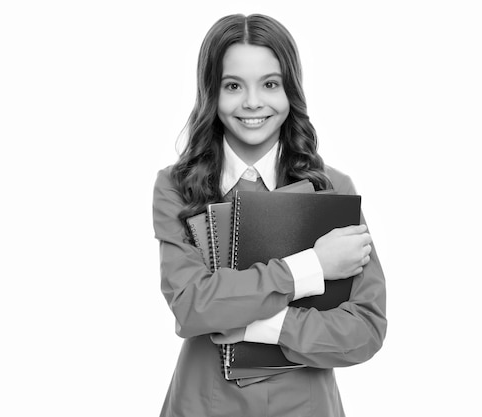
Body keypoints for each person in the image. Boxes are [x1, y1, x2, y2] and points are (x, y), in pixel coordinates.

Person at [152, 13, 386, 417]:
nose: (253, 102)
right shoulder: (177, 187)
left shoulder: (332, 189)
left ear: (290, 91)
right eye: (233, 86)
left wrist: (257, 326)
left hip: (306, 408)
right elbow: (192, 306)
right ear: (211, 93)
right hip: (203, 406)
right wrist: (311, 267)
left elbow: (365, 329)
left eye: (270, 84)